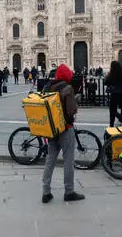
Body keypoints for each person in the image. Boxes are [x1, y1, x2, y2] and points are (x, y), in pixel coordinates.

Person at [41, 64, 85, 203]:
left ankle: (46, 191)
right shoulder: (67, 88)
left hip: (52, 129)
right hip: (65, 128)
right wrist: (76, 101)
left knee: (50, 160)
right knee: (68, 160)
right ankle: (69, 191)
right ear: (66, 76)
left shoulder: (47, 87)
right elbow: (71, 110)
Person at [105, 61, 122, 127]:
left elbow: (106, 82)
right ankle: (120, 122)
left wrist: (109, 74)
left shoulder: (112, 74)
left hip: (115, 93)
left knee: (112, 110)